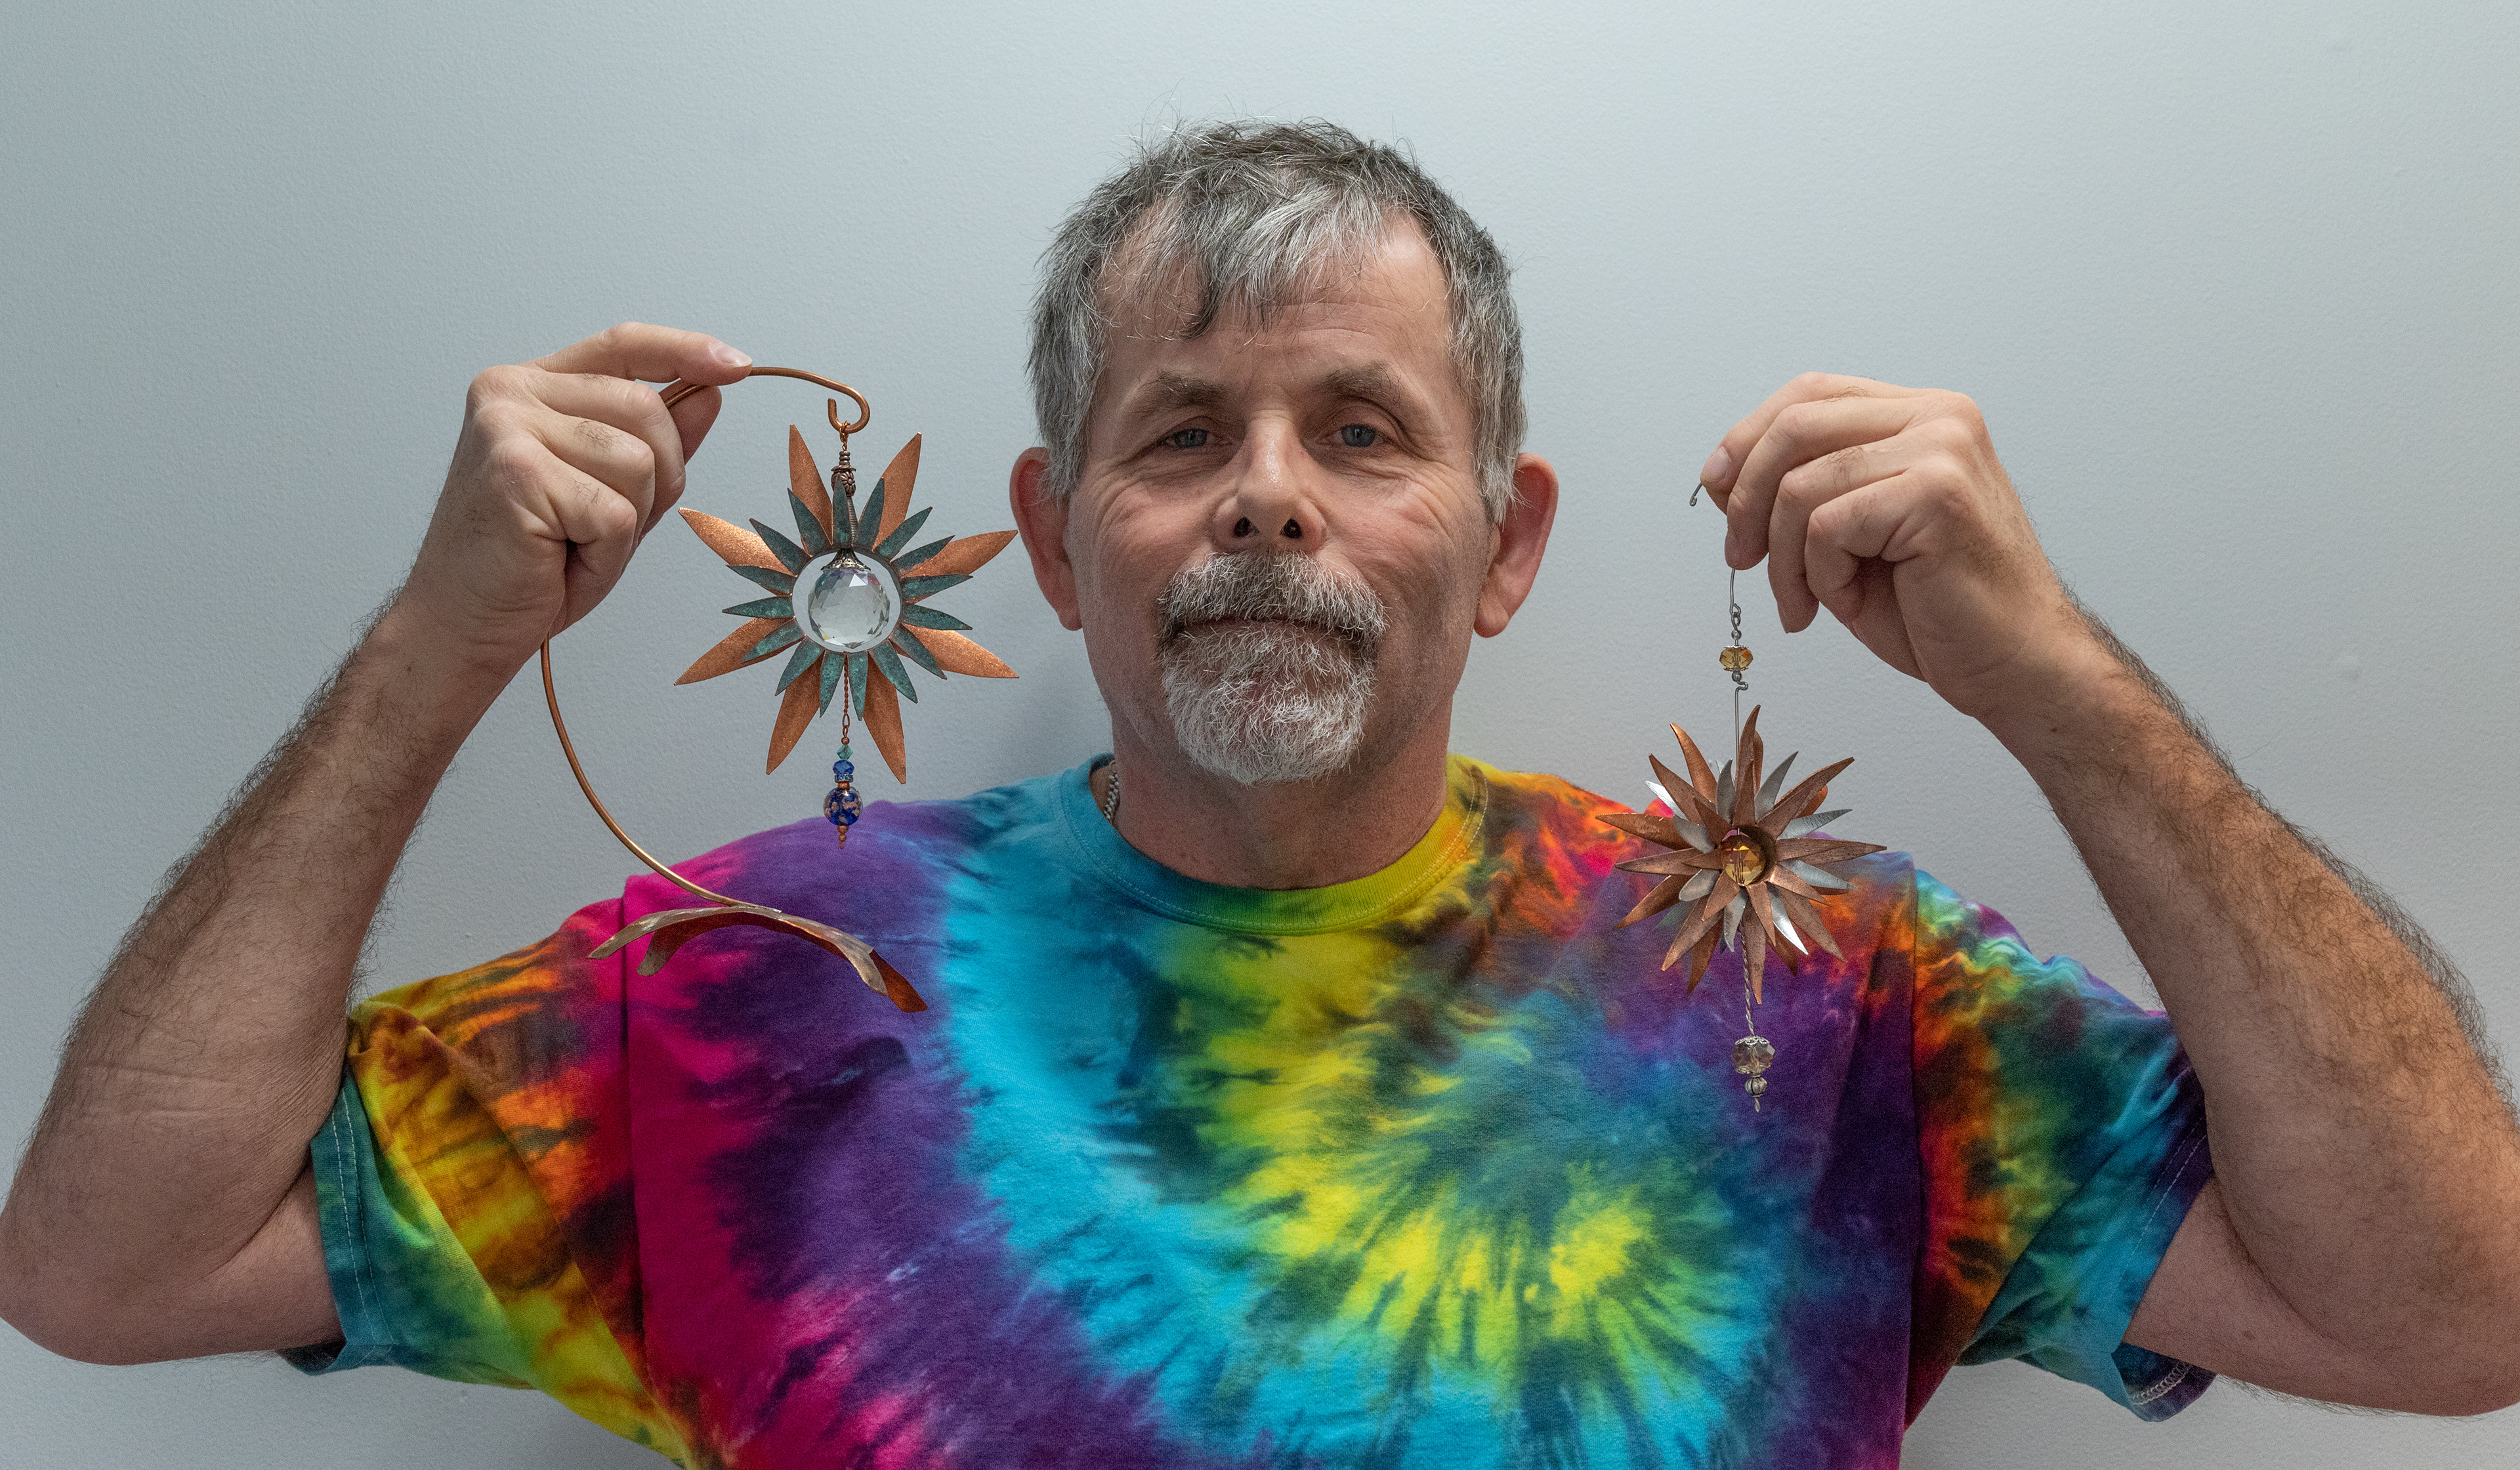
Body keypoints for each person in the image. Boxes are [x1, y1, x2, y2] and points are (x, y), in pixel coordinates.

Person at [3, 119, 2515, 1468]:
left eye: (1366, 433)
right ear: (1050, 545)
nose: (1271, 500)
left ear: (1507, 544)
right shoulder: (754, 980)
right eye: (1181, 434)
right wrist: (437, 653)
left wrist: (2067, 691)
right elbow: (105, 1272)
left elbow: (2450, 1317)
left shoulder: (1816, 987)